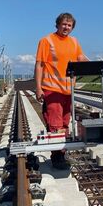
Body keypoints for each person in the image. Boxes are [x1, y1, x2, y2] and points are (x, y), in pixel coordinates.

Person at [35, 12, 89, 168]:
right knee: (55, 124)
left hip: (68, 91)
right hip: (52, 90)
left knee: (65, 124)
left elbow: (81, 58)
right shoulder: (47, 41)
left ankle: (61, 154)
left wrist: (98, 65)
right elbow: (39, 65)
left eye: (69, 25)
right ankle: (57, 157)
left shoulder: (74, 42)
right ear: (57, 24)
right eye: (64, 24)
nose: (66, 27)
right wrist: (38, 88)